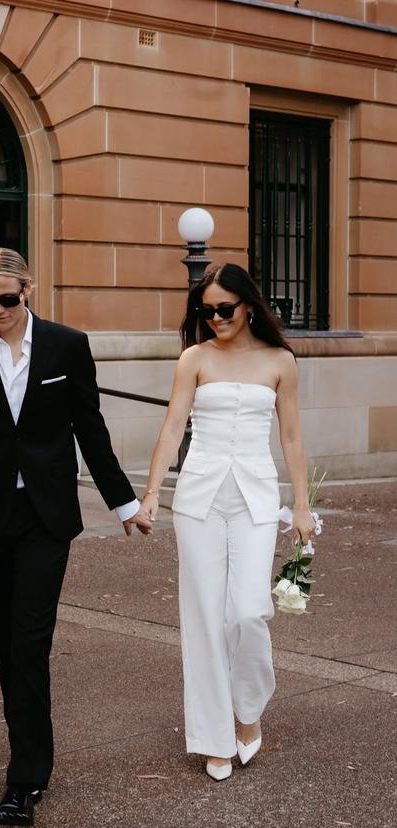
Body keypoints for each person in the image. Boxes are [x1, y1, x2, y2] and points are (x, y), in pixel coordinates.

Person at [0, 248, 152, 826]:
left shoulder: (66, 346)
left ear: (27, 290)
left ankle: (24, 780)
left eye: (6, 298)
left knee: (30, 640)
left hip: (46, 517)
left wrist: (124, 501)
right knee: (5, 643)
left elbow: (89, 427)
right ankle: (29, 748)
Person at [143, 263, 314, 781]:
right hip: (199, 500)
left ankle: (249, 709)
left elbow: (291, 437)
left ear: (248, 306)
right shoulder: (194, 358)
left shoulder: (280, 361)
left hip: (257, 500)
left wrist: (302, 505)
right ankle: (215, 737)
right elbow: (173, 427)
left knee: (246, 611)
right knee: (203, 618)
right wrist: (151, 494)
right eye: (207, 310)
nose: (215, 317)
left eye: (225, 308)